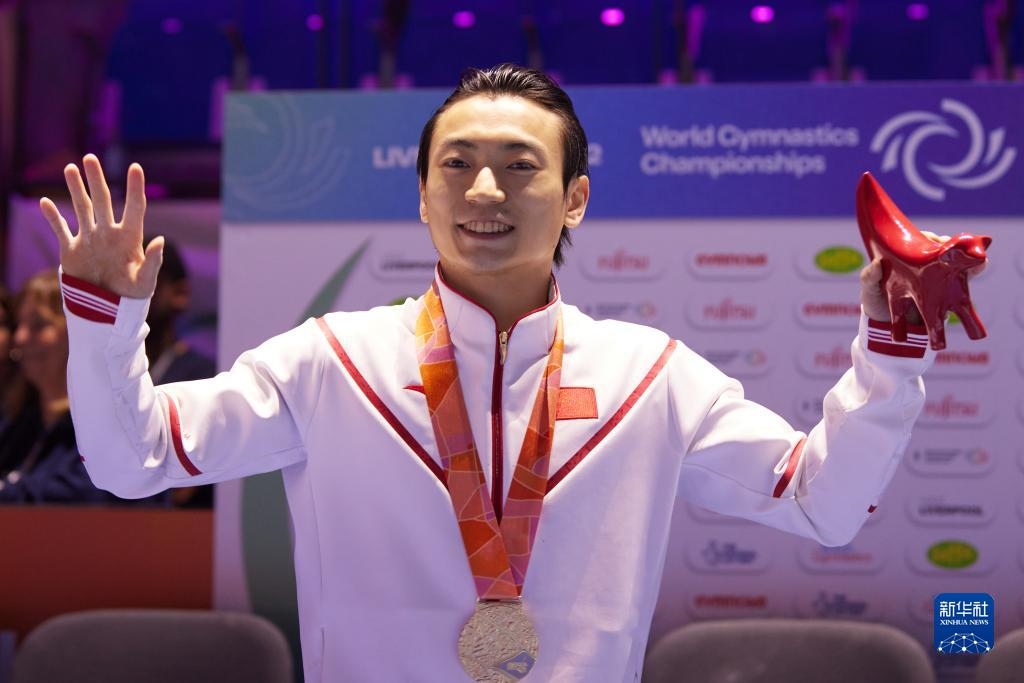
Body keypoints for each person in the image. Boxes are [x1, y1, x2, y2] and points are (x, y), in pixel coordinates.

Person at [40, 65, 939, 681]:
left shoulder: (651, 375)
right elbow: (132, 459)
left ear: (576, 197)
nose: (484, 190)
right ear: (422, 194)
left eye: (520, 166)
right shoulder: (328, 360)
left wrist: (889, 348)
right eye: (457, 164)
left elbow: (823, 501)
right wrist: (104, 317)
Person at [0, 270, 114, 503]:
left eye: (38, 325)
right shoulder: (20, 421)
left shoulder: (111, 421)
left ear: (79, 333)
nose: (20, 337)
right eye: (19, 324)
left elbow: (81, 496)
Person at [144, 237, 216, 507]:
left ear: (180, 293)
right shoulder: (105, 374)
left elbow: (184, 487)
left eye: (148, 280)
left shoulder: (202, 375)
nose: (129, 291)